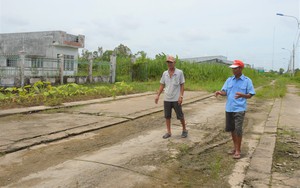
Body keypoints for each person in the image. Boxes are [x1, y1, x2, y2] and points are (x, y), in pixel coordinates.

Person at [215, 60, 255, 159]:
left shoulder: (247, 81)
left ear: (241, 68)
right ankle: (235, 147)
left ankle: (238, 150)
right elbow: (225, 92)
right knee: (232, 130)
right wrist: (220, 93)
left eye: (235, 68)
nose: (233, 70)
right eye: (232, 68)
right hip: (229, 108)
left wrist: (243, 95)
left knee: (238, 130)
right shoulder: (229, 80)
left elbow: (250, 95)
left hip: (239, 109)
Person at [155, 55, 188, 139]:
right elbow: (162, 84)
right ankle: (169, 132)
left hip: (176, 98)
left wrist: (181, 96)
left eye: (171, 62)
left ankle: (184, 129)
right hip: (167, 98)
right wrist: (158, 95)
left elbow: (182, 85)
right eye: (168, 62)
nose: (169, 64)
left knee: (180, 115)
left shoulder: (179, 72)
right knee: (167, 116)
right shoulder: (165, 73)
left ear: (174, 62)